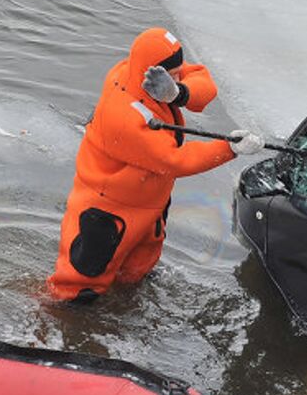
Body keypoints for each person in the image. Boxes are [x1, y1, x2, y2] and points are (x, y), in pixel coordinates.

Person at [47, 27, 263, 303]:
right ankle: (56, 321)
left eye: (175, 74)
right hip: (108, 211)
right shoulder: (125, 116)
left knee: (137, 271)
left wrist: (179, 94)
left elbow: (202, 79)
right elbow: (173, 160)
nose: (177, 76)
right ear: (149, 72)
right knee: (81, 282)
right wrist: (229, 148)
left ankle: (123, 305)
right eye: (173, 75)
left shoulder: (140, 71)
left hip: (148, 206)